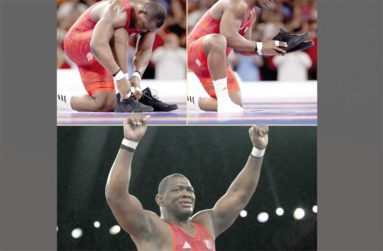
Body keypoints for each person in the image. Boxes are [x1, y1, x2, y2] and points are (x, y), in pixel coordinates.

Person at [105, 114, 269, 250]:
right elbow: (116, 196)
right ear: (159, 199)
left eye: (190, 190)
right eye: (177, 189)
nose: (186, 194)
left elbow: (239, 195)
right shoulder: (152, 228)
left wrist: (258, 150)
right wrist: (129, 143)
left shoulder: (207, 223)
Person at [187, 0, 311, 113]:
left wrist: (276, 48)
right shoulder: (236, 4)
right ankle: (224, 101)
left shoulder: (251, 13)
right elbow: (228, 38)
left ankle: (193, 100)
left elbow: (243, 50)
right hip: (195, 52)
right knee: (218, 40)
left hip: (214, 62)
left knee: (236, 105)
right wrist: (261, 46)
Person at [58, 0, 177, 112]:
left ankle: (59, 101)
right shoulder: (118, 10)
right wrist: (121, 78)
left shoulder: (149, 23)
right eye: (143, 25)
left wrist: (136, 76)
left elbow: (144, 51)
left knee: (106, 103)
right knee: (119, 32)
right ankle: (126, 96)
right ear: (141, 12)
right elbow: (97, 44)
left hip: (101, 54)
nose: (143, 30)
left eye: (148, 29)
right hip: (76, 43)